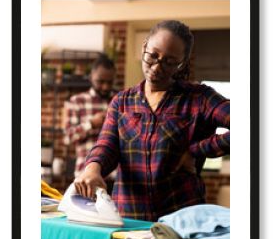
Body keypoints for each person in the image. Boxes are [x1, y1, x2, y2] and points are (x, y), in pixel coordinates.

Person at [74, 20, 230, 222]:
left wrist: (196, 150)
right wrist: (93, 169)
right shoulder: (122, 102)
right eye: (153, 56)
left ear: (181, 63)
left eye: (169, 61)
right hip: (129, 222)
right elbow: (106, 145)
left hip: (183, 221)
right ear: (144, 46)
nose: (157, 67)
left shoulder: (200, 98)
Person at [63, 55, 117, 179]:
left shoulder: (120, 99)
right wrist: (91, 124)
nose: (105, 87)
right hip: (85, 174)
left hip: (116, 176)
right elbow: (68, 138)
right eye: (100, 82)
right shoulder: (77, 101)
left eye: (109, 82)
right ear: (91, 76)